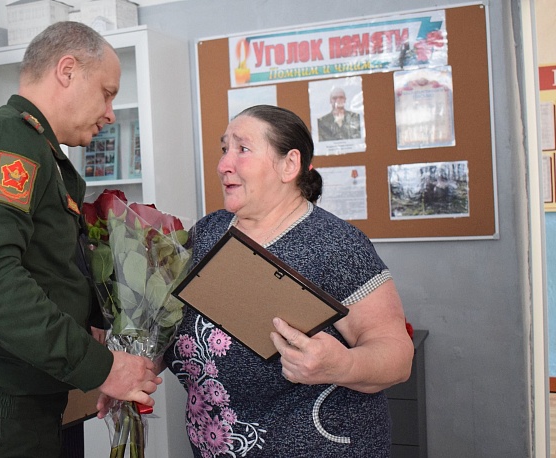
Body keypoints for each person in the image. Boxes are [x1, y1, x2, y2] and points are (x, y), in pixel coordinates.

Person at [0, 21, 161, 458]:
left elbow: (48, 273)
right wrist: (101, 368)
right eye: (106, 92)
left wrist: (104, 365)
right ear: (67, 71)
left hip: (22, 410)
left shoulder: (34, 147)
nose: (109, 112)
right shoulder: (8, 141)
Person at [162, 105, 413, 456]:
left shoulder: (337, 244)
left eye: (242, 149)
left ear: (289, 165)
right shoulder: (207, 232)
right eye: (224, 149)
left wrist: (342, 365)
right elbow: (170, 320)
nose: (223, 165)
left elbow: (398, 356)